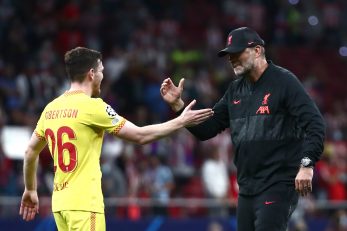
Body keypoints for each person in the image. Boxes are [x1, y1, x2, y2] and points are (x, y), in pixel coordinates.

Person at [19, 47, 213, 230]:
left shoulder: (50, 109)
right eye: (101, 71)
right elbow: (140, 135)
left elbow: (30, 152)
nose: (103, 76)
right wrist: (181, 121)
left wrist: (30, 190)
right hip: (85, 204)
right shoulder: (93, 107)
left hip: (61, 205)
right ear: (92, 74)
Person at [160, 27, 326, 231]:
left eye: (237, 53)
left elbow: (315, 124)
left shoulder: (285, 82)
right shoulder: (235, 90)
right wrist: (178, 106)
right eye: (229, 55)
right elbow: (207, 130)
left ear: (257, 51)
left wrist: (307, 165)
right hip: (246, 188)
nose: (231, 59)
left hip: (277, 184)